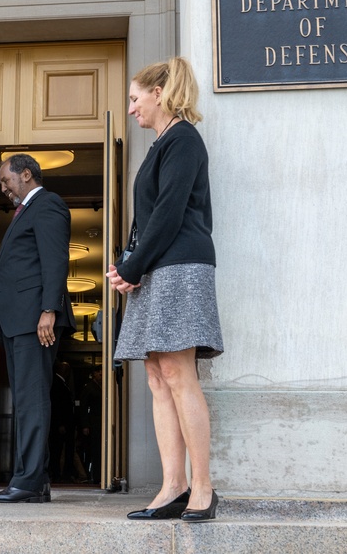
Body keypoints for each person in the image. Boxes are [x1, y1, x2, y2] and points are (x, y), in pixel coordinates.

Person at [106, 56, 224, 523]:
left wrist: (131, 267)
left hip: (180, 265)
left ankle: (203, 487)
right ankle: (173, 485)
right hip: (155, 266)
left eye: (135, 99)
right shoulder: (159, 144)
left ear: (160, 93)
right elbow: (149, 218)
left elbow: (170, 213)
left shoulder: (183, 139)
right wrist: (128, 266)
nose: (132, 108)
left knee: (178, 373)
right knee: (157, 376)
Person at [0, 154, 75, 503]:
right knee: (27, 400)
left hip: (35, 321)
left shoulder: (48, 204)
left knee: (31, 401)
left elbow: (56, 260)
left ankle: (27, 482)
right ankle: (34, 481)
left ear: (26, 174)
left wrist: (49, 310)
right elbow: (9, 275)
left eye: (6, 180)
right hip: (18, 322)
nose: (2, 188)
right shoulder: (24, 213)